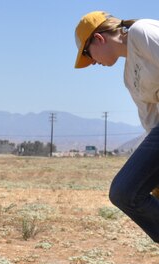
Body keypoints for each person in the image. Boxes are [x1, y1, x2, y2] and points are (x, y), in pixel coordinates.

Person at [74, 11, 159, 243]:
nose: (91, 62)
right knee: (126, 193)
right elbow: (151, 122)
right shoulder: (129, 78)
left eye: (86, 53)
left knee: (124, 190)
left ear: (99, 39)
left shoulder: (143, 32)